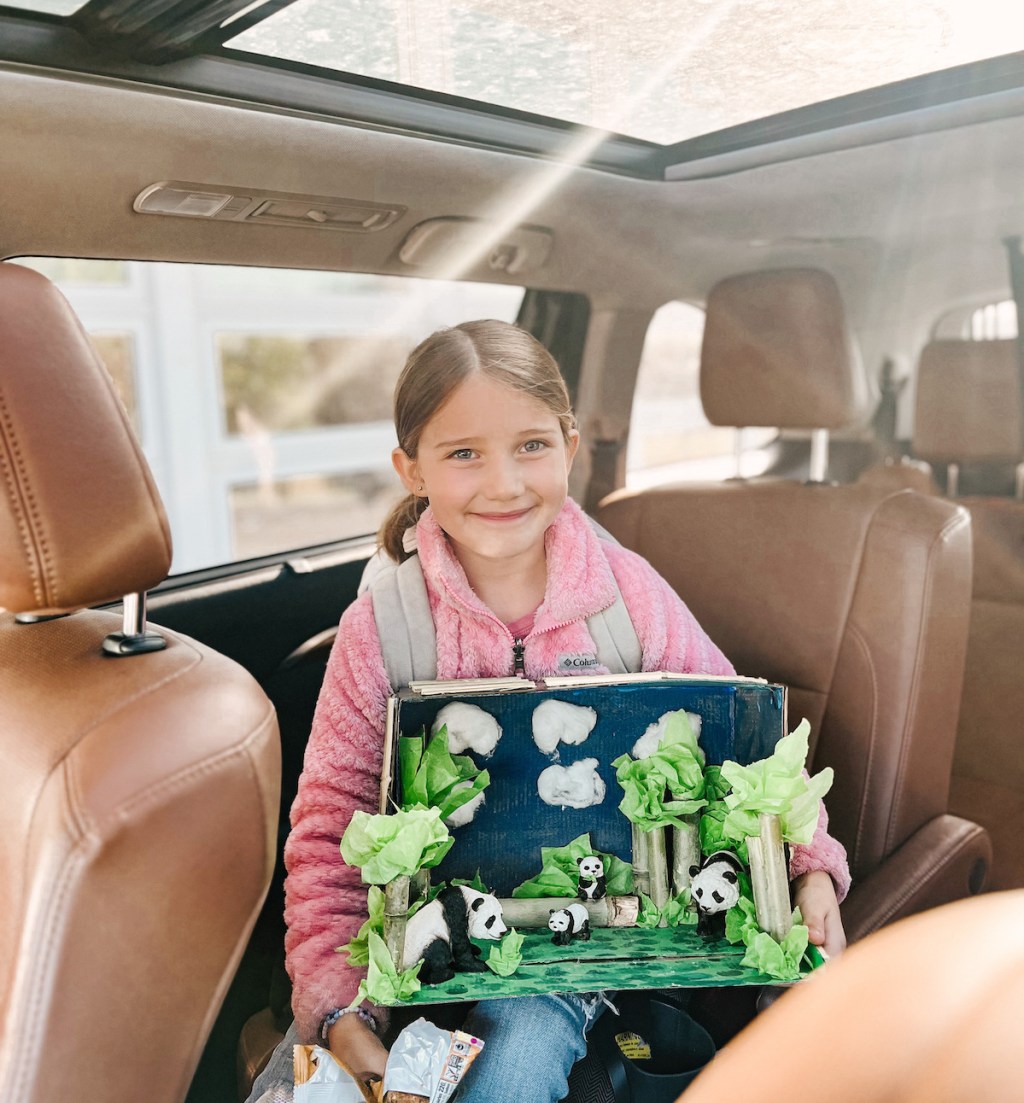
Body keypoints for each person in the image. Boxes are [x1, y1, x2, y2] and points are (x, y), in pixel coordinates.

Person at [249, 319, 850, 1103]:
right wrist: (340, 1009)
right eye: (463, 453)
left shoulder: (628, 598)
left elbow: (751, 763)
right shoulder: (383, 628)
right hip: (411, 949)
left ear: (569, 448)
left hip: (588, 943)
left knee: (516, 1052)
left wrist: (810, 874)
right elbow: (330, 831)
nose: (503, 482)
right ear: (411, 468)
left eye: (531, 446)